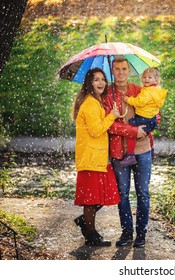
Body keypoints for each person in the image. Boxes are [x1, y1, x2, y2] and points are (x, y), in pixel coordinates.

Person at [102, 56, 156, 248]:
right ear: (112, 71)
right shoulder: (108, 95)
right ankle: (127, 232)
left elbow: (155, 113)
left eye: (124, 69)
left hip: (143, 151)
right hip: (119, 152)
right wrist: (133, 130)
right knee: (122, 194)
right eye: (117, 69)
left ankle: (141, 233)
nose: (121, 73)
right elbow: (110, 126)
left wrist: (148, 127)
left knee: (143, 193)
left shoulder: (139, 90)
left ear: (129, 70)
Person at [72, 68, 120, 246]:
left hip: (98, 158)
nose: (101, 83)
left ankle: (85, 221)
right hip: (91, 158)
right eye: (96, 80)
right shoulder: (90, 103)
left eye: (103, 79)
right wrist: (112, 117)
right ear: (89, 83)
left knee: (104, 195)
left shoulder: (96, 101)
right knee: (92, 199)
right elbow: (95, 130)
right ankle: (90, 235)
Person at [119, 67, 167, 167]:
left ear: (156, 80)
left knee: (132, 129)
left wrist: (128, 99)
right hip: (151, 117)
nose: (146, 79)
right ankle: (152, 148)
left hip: (143, 116)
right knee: (148, 131)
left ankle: (130, 154)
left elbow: (139, 102)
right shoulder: (157, 92)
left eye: (149, 77)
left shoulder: (147, 91)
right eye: (144, 77)